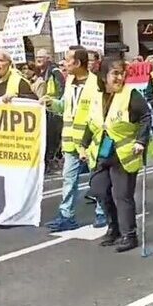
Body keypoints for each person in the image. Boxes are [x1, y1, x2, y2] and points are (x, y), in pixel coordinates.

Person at [79, 60, 152, 253]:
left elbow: (146, 116)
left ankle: (129, 235)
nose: (120, 78)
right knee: (100, 190)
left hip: (124, 153)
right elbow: (92, 122)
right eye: (115, 74)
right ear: (104, 77)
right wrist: (83, 145)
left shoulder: (131, 95)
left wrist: (141, 141)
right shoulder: (97, 96)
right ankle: (114, 228)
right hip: (101, 152)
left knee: (122, 195)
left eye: (122, 73)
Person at [41, 46, 107, 231]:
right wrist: (52, 103)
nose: (64, 63)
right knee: (69, 180)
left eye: (67, 59)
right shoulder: (69, 81)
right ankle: (66, 215)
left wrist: (89, 142)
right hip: (70, 141)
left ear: (78, 63)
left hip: (91, 142)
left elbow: (98, 114)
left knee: (97, 179)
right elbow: (65, 107)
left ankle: (102, 212)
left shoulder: (96, 83)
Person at [35, 49, 66, 172]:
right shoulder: (42, 73)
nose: (38, 59)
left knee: (52, 138)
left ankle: (52, 161)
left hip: (54, 111)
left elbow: (61, 89)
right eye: (37, 56)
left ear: (48, 59)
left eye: (42, 57)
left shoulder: (55, 72)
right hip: (45, 110)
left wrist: (56, 104)